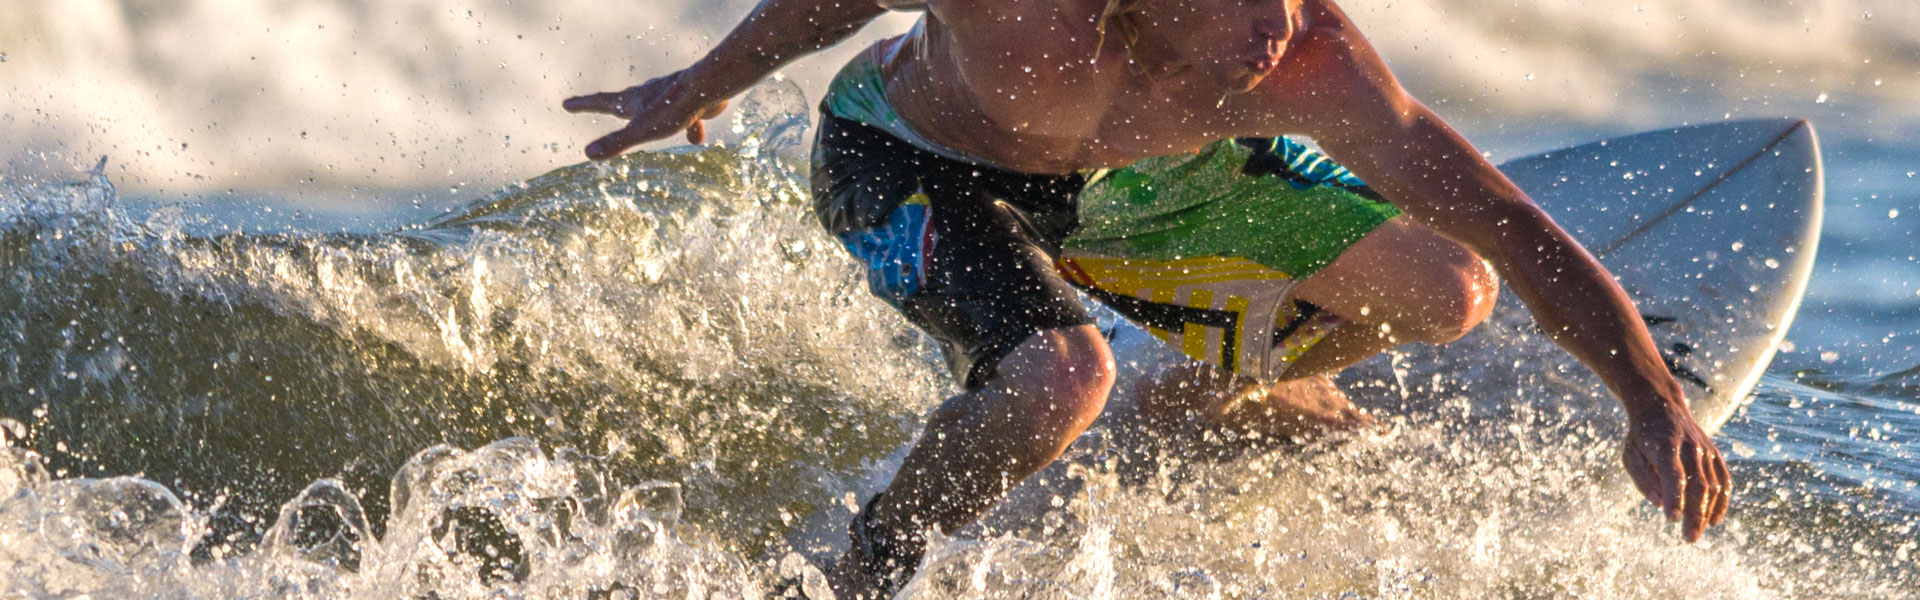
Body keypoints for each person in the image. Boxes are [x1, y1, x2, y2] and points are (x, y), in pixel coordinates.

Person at [563, 0, 1733, 596]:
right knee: (1062, 382)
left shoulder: (1301, 54)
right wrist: (694, 85)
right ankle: (868, 563)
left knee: (1451, 289)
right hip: (919, 163)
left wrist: (1646, 399)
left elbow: (1504, 220)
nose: (1275, 25)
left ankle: (1225, 388)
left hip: (1139, 180)